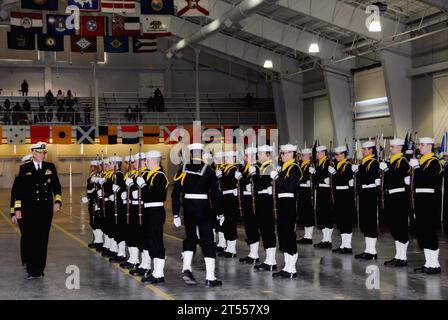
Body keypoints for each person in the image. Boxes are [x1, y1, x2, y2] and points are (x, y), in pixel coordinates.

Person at [171, 143, 223, 287]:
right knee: (207, 240)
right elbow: (216, 194)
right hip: (203, 207)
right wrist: (220, 212)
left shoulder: (183, 169)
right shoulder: (209, 170)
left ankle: (187, 267)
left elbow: (175, 194)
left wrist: (175, 214)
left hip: (188, 207)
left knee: (190, 237)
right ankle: (210, 277)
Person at [13, 142, 62, 278]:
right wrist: (17, 209)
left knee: (42, 239)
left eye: (44, 153)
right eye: (40, 152)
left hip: (45, 210)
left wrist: (57, 201)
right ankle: (31, 269)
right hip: (29, 210)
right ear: (33, 152)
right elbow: (19, 192)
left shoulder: (50, 167)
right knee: (30, 239)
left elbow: (57, 186)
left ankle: (40, 269)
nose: (43, 155)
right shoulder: (25, 168)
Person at [411, 137, 443, 274]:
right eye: (420, 145)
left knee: (429, 233)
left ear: (430, 146)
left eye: (423, 145)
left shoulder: (435, 162)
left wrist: (417, 168)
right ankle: (428, 263)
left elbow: (427, 179)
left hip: (430, 202)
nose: (420, 147)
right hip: (420, 200)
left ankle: (435, 265)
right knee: (422, 233)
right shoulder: (422, 162)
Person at [272, 144, 301, 279]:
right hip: (282, 202)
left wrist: (278, 178)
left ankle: (292, 268)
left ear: (291, 154)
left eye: (284, 153)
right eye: (281, 153)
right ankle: (286, 267)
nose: (282, 156)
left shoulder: (294, 168)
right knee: (283, 234)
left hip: (289, 203)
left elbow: (291, 186)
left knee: (289, 234)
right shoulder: (284, 168)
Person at [140, 151, 169, 284]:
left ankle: (159, 274)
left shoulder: (160, 176)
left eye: (147, 160)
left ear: (154, 161)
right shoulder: (150, 174)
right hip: (148, 210)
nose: (145, 162)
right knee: (150, 240)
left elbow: (156, 195)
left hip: (156, 210)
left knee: (156, 240)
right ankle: (155, 272)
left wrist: (143, 186)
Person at [381, 138, 410, 267]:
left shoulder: (402, 161)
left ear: (399, 148)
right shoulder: (392, 161)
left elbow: (397, 177)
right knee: (394, 228)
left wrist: (387, 170)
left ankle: (403, 257)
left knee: (401, 227)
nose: (391, 149)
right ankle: (398, 255)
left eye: (393, 147)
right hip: (391, 196)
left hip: (400, 197)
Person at [352, 140, 380, 260]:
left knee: (371, 221)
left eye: (365, 149)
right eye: (363, 149)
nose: (363, 151)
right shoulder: (364, 162)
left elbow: (368, 178)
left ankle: (372, 251)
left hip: (370, 193)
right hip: (364, 193)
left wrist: (358, 172)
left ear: (371, 150)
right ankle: (368, 250)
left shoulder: (374, 162)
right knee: (365, 222)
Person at [253, 145, 277, 272]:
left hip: (267, 203)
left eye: (261, 154)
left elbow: (260, 185)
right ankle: (268, 260)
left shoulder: (270, 167)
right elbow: (260, 186)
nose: (258, 156)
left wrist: (254, 176)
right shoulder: (263, 168)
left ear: (267, 155)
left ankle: (272, 261)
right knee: (264, 231)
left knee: (268, 230)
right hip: (262, 202)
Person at [329, 145, 354, 254]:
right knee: (341, 220)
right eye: (335, 155)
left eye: (338, 154)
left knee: (346, 220)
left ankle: (348, 246)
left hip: (345, 195)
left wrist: (334, 173)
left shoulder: (348, 165)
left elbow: (343, 179)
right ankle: (343, 244)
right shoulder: (338, 165)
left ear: (343, 155)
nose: (336, 156)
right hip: (338, 194)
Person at [238, 146, 261, 264]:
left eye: (247, 156)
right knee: (248, 227)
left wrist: (242, 179)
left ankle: (254, 254)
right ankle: (252, 253)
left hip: (252, 202)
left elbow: (256, 184)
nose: (245, 158)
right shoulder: (246, 168)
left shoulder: (255, 168)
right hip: (246, 201)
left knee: (252, 227)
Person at [10, 154, 33, 269]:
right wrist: (13, 213)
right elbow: (14, 196)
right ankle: (26, 260)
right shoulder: (19, 179)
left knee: (35, 237)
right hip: (22, 212)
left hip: (35, 212)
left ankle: (34, 259)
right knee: (26, 236)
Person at [216, 150, 240, 258]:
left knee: (231, 223)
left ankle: (232, 249)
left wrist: (220, 177)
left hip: (231, 198)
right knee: (226, 223)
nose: (226, 159)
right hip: (225, 197)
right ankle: (228, 248)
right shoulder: (226, 169)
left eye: (228, 157)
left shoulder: (234, 169)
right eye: (226, 157)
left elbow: (228, 183)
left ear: (234, 159)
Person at [313, 145, 334, 249]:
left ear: (324, 153)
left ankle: (328, 240)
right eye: (317, 153)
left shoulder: (328, 163)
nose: (317, 154)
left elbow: (323, 176)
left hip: (326, 191)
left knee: (327, 214)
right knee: (321, 214)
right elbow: (318, 177)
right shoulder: (319, 164)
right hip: (321, 190)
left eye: (319, 152)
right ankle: (324, 239)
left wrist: (317, 175)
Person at [296, 148, 315, 244]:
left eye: (303, 155)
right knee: (303, 213)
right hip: (302, 191)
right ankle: (306, 236)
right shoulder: (301, 165)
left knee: (308, 214)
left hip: (307, 192)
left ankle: (309, 237)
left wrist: (311, 178)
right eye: (301, 155)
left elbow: (311, 178)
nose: (302, 157)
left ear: (309, 156)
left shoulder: (311, 165)